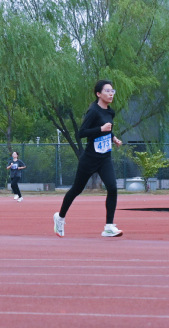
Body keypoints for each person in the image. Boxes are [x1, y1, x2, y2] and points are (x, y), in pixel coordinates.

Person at [54, 80, 124, 238]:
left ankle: (109, 226)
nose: (111, 94)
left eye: (112, 91)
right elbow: (82, 133)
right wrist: (101, 129)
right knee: (76, 189)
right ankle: (60, 217)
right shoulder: (93, 111)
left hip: (105, 157)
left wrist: (113, 138)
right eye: (107, 91)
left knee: (112, 188)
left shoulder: (110, 112)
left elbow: (108, 129)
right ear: (98, 94)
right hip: (90, 158)